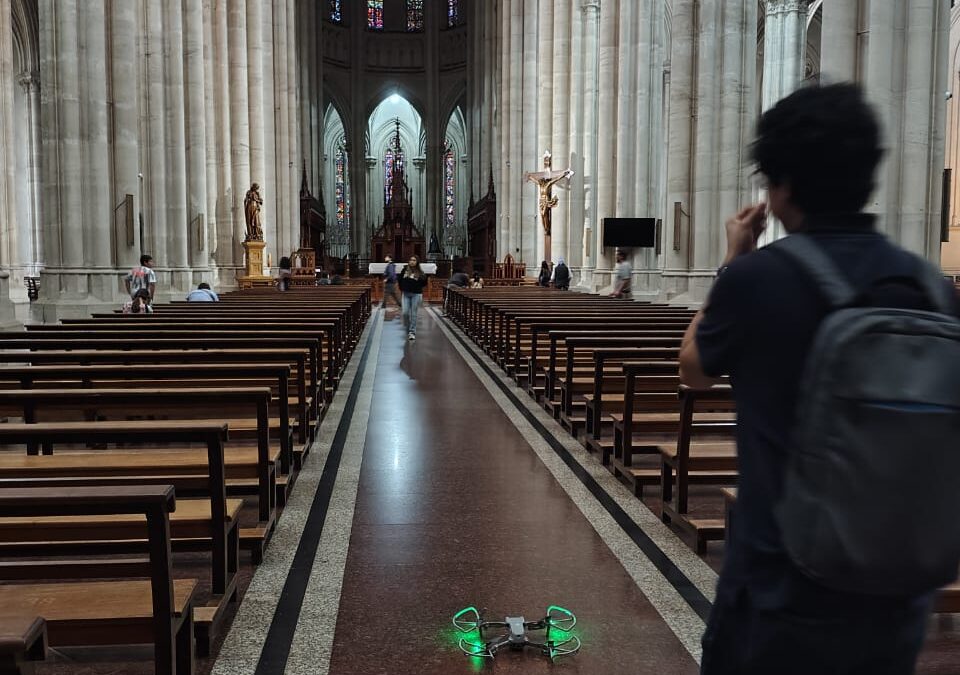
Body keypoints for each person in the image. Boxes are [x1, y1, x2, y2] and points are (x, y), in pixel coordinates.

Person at [680, 83, 958, 675]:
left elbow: (693, 371)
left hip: (781, 589)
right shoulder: (932, 290)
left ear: (779, 188)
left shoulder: (757, 279)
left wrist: (734, 257)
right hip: (897, 593)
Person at [398, 255, 428, 340]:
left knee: (413, 314)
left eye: (414, 260)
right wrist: (402, 288)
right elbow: (399, 279)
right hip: (406, 293)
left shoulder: (420, 272)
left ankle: (412, 332)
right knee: (405, 313)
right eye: (411, 260)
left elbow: (424, 283)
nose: (412, 261)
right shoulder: (405, 270)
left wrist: (416, 278)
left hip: (416, 294)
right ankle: (408, 329)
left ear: (417, 262)